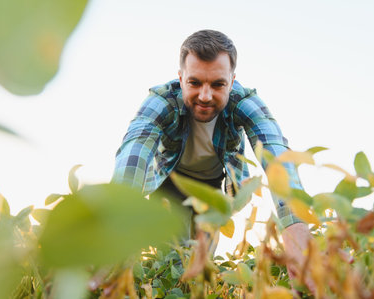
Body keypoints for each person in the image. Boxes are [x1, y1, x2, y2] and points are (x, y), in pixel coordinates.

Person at [113, 29, 315, 292]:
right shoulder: (162, 100)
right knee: (170, 258)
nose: (205, 96)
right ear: (181, 78)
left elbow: (275, 151)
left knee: (200, 267)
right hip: (170, 182)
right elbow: (135, 150)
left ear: (232, 81)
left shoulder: (245, 102)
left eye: (218, 84)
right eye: (194, 83)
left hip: (213, 187)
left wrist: (295, 226)